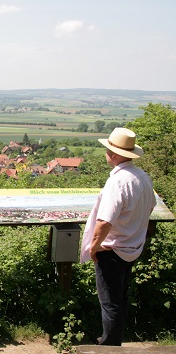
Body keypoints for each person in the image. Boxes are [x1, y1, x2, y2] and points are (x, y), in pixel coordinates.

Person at [80, 127, 156, 346]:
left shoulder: (118, 182)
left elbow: (105, 221)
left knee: (109, 302)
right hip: (132, 247)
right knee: (120, 298)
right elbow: (149, 207)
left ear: (113, 154)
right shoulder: (142, 177)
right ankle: (114, 341)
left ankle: (110, 347)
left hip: (112, 249)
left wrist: (94, 246)